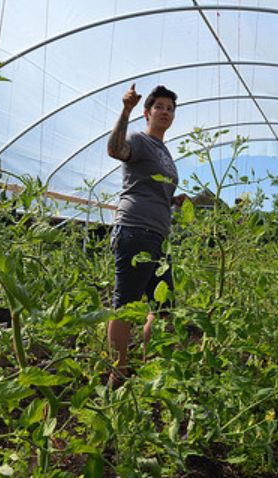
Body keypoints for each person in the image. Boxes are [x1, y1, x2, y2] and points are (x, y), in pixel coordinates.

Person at [106, 83, 186, 385]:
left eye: (170, 108)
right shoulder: (139, 140)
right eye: (159, 107)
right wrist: (125, 110)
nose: (165, 112)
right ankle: (118, 372)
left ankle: (150, 366)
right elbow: (115, 149)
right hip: (135, 229)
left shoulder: (164, 152)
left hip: (158, 236)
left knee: (163, 306)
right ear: (147, 113)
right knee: (125, 304)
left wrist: (174, 200)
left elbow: (155, 190)